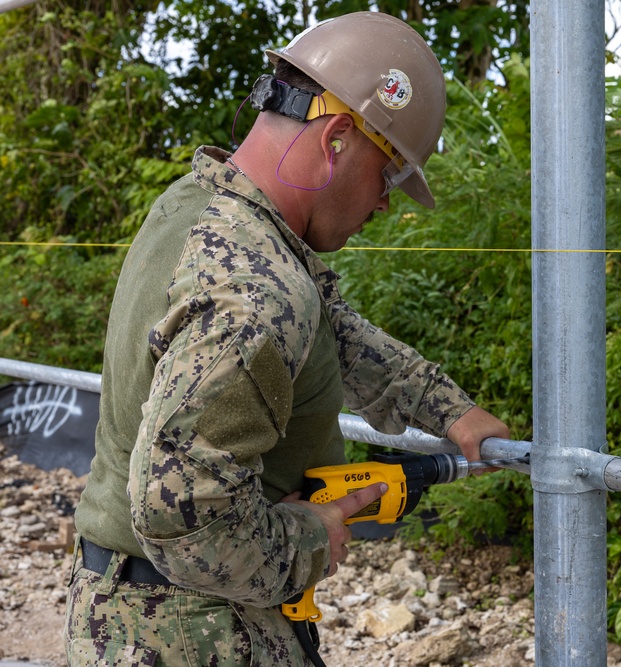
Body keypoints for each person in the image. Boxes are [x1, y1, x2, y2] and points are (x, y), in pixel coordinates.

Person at [64, 12, 509, 666]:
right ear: (334, 140)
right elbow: (182, 518)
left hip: (131, 613)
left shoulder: (202, 207)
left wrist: (447, 408)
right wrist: (310, 536)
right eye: (387, 177)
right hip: (194, 632)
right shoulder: (255, 290)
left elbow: (328, 322)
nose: (385, 204)